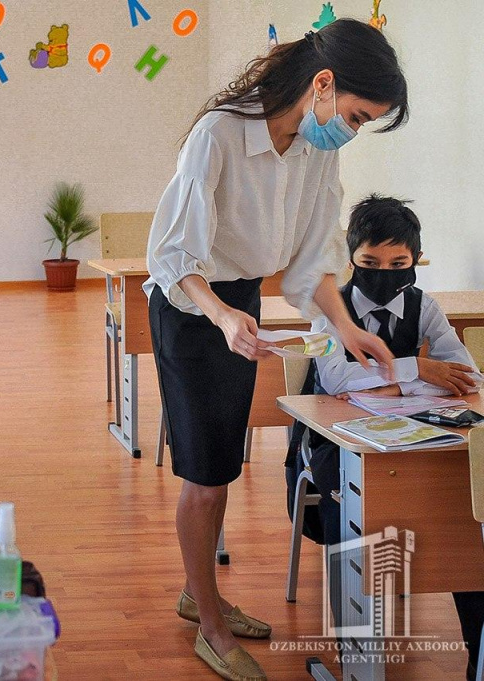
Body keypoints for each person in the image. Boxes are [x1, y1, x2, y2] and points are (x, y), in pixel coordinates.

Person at [145, 19, 408, 679]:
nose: (351, 129)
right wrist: (221, 314)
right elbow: (171, 257)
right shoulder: (220, 134)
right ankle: (208, 621)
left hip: (239, 300)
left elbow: (316, 257)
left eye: (363, 123)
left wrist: (347, 328)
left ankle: (197, 589)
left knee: (223, 464)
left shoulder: (319, 149)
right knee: (204, 476)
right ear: (323, 84)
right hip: (190, 304)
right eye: (353, 114)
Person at [301, 195, 483, 681]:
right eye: (370, 263)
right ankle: (357, 659)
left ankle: (477, 659)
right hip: (334, 441)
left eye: (398, 263)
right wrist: (418, 369)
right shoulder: (327, 308)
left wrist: (392, 382)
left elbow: (466, 375)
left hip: (414, 436)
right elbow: (336, 380)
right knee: (346, 513)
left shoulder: (425, 306)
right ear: (352, 260)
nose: (385, 273)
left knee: (463, 517)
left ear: (415, 261)